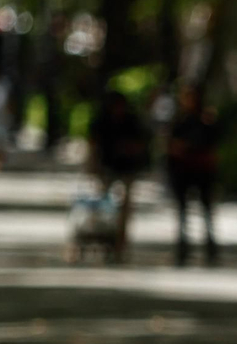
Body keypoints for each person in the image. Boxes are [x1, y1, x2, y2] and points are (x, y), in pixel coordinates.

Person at [88, 90, 151, 261]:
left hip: (128, 168)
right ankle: (101, 242)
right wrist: (92, 167)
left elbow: (142, 145)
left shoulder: (132, 122)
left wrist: (129, 149)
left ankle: (119, 245)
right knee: (103, 208)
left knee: (125, 210)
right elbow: (93, 145)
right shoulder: (101, 121)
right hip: (107, 167)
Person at [165, 83, 221, 266]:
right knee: (182, 212)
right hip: (182, 171)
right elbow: (170, 145)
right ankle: (183, 250)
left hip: (202, 171)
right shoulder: (179, 121)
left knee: (206, 211)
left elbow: (213, 146)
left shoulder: (207, 120)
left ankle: (210, 250)